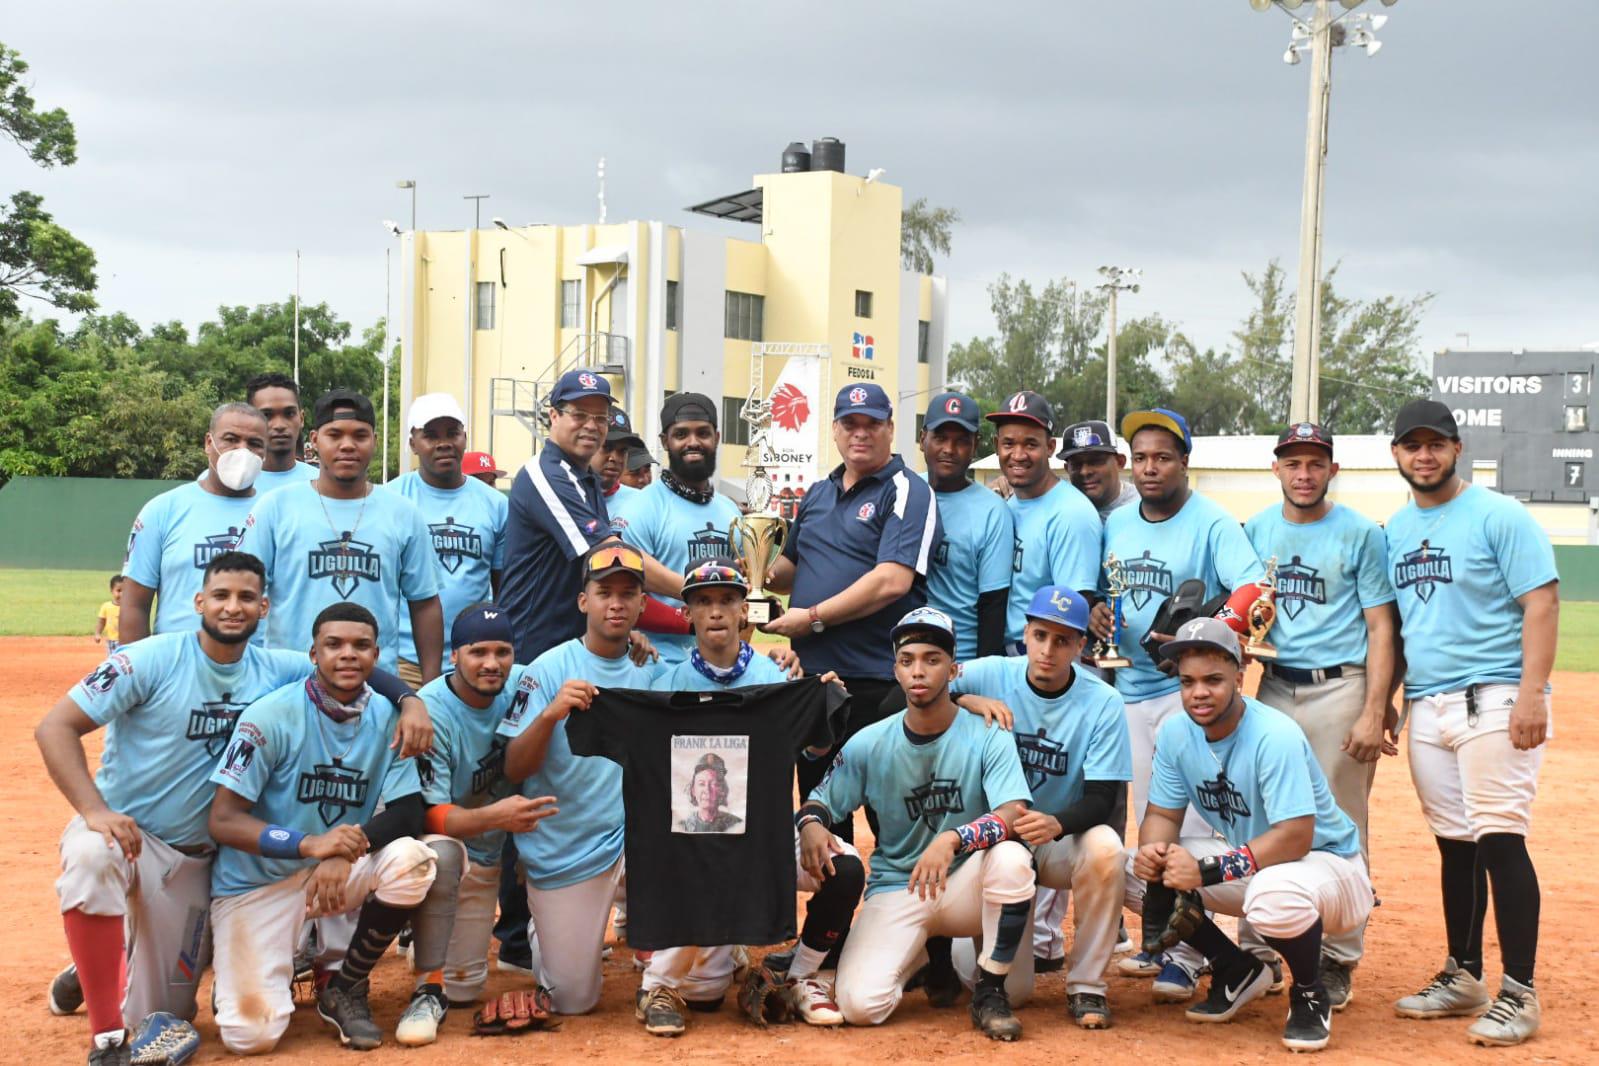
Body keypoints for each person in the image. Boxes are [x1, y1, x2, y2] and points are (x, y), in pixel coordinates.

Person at [36, 553, 430, 1065]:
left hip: (196, 859)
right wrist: (94, 811)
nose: (232, 607)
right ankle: (107, 1036)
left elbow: (355, 669)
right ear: (199, 601)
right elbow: (55, 726)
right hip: (130, 833)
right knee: (93, 855)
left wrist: (410, 701)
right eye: (220, 595)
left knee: (167, 1012)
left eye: (246, 597)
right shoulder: (148, 659)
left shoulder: (279, 668)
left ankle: (105, 961)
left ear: (263, 607)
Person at [1384, 399, 1558, 1048]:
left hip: (1494, 696)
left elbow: (1541, 601)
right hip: (1428, 704)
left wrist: (1532, 695)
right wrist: (1390, 698)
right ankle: (1464, 974)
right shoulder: (1395, 530)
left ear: (1457, 449)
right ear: (1396, 455)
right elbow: (1401, 626)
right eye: (1412, 445)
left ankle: (1520, 991)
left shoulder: (1497, 514)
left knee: (1500, 839)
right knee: (1455, 844)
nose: (1423, 455)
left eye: (1435, 444)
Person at [634, 560, 864, 1034]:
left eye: (727, 601)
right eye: (703, 602)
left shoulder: (776, 678)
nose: (716, 611)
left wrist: (823, 705)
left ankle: (796, 975)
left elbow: (814, 750)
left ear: (745, 610)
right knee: (705, 996)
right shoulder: (666, 684)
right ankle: (661, 985)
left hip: (765, 838)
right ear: (687, 614)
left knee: (845, 868)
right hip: (696, 842)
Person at [1124, 617, 1371, 1053]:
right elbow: (1161, 813)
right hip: (1260, 866)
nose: (1199, 693)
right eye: (1188, 682)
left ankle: (1309, 992)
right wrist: (1155, 853)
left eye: (1213, 680)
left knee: (1271, 894)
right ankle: (1234, 967)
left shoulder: (1274, 735)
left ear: (1240, 677)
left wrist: (1207, 870)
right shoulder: (1177, 733)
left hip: (1328, 869)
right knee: (1126, 870)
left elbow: (1295, 837)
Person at [206, 602, 438, 1054]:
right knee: (250, 1036)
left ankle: (345, 986)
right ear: (313, 654)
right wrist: (311, 846)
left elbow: (409, 812)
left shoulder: (389, 717)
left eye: (361, 645)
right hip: (260, 879)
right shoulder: (269, 716)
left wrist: (343, 851)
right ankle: (257, 966)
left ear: (376, 657)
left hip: (335, 868)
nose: (348, 654)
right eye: (334, 644)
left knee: (414, 860)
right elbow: (224, 820)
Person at [1091, 407, 1265, 1000]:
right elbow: (1107, 593)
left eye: (1162, 457)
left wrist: (1203, 635)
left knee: (1193, 826)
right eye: (1140, 457)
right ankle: (1169, 936)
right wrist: (1098, 613)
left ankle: (1192, 955)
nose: (1150, 468)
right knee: (1153, 823)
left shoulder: (1210, 521)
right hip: (1128, 689)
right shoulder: (1118, 522)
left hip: (1183, 695)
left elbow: (1250, 586)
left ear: (1184, 462)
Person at [799, 607, 1034, 1039]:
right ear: (896, 670)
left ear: (954, 669)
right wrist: (812, 824)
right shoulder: (871, 741)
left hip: (968, 884)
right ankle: (921, 954)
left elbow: (1013, 813)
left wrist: (954, 839)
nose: (918, 671)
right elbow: (820, 801)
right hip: (900, 886)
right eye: (907, 661)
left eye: (932, 659)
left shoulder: (988, 733)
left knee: (1013, 859)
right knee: (861, 1006)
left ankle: (991, 989)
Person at [1243, 422, 1399, 1009]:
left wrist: (1374, 709)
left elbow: (1381, 627)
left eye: (1315, 463)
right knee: (1261, 810)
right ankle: (1258, 948)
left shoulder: (1361, 533)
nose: (1303, 474)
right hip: (1274, 685)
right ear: (1276, 469)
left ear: (1333, 469)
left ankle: (1338, 956)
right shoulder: (1256, 529)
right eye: (1293, 463)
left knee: (1342, 822)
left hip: (1341, 687)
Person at [763, 382, 941, 843]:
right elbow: (788, 572)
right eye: (850, 423)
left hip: (877, 682)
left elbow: (892, 580)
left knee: (893, 821)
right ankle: (833, 893)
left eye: (871, 424)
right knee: (823, 821)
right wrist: (753, 566)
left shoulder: (907, 490)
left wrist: (812, 617)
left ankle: (900, 891)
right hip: (813, 683)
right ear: (835, 430)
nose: (860, 433)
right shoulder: (818, 493)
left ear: (890, 429)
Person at [948, 586, 1131, 1030]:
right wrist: (965, 700)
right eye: (1040, 636)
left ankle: (1087, 984)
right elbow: (911, 692)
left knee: (1106, 847)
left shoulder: (1103, 701)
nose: (1048, 650)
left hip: (1057, 841)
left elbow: (1102, 798)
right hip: (997, 845)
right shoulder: (991, 673)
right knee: (1012, 992)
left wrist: (1056, 823)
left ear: (1080, 646)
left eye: (1062, 640)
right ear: (1025, 634)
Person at [496, 543, 661, 1015]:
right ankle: (545, 927)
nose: (616, 604)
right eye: (604, 593)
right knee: (571, 1000)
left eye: (628, 594)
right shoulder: (548, 669)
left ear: (642, 605)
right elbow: (513, 768)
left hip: (633, 840)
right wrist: (550, 715)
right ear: (583, 601)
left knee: (696, 849)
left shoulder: (650, 669)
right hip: (568, 849)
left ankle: (677, 942)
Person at [393, 604, 559, 1046]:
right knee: (440, 855)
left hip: (496, 839)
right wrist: (498, 817)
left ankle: (438, 933)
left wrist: (633, 642)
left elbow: (584, 664)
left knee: (464, 990)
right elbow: (428, 815)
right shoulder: (433, 710)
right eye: (477, 651)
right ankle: (418, 921)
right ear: (454, 655)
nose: (491, 663)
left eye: (502, 651)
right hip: (449, 846)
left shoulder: (524, 682)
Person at [237, 388, 444, 680]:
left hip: (375, 685)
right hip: (289, 680)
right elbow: (244, 593)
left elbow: (424, 603)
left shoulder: (403, 513)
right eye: (334, 435)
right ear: (314, 440)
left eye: (360, 435)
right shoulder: (276, 507)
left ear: (374, 441)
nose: (347, 445)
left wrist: (431, 687)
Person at [118, 403, 269, 643]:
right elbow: (135, 605)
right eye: (231, 439)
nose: (243, 450)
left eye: (255, 443)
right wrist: (136, 665)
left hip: (257, 662)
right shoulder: (163, 510)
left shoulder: (276, 513)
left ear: (265, 452)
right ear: (209, 443)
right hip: (176, 661)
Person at [609, 392, 742, 665]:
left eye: (702, 433)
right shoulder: (640, 509)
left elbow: (741, 594)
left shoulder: (731, 511)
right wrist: (692, 619)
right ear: (664, 441)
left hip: (721, 667)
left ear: (717, 438)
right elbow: (623, 590)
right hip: (659, 666)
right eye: (681, 434)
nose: (693, 442)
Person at [385, 392, 508, 685]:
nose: (443, 443)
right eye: (430, 435)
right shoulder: (390, 499)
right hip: (405, 661)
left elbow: (502, 588)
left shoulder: (496, 504)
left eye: (452, 433)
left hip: (474, 658)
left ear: (465, 437)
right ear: (413, 443)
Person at [987, 391, 1101, 651]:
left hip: (1041, 654)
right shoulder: (1008, 504)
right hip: (1006, 649)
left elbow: (1072, 609)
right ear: (996, 445)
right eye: (1008, 443)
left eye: (1030, 444)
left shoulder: (1072, 513)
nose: (1018, 455)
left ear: (1050, 447)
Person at [919, 391, 1012, 661]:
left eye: (961, 441)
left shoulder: (993, 511)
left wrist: (980, 675)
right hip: (902, 658)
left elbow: (993, 605)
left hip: (960, 661)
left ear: (975, 446)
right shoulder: (904, 490)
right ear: (923, 439)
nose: (949, 449)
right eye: (940, 438)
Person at [244, 372, 321, 494]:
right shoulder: (235, 485)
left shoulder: (323, 484)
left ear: (301, 418)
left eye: (289, 414)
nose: (279, 425)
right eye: (267, 415)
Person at [1060, 419, 1138, 520]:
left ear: (1119, 462)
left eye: (1095, 461)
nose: (1085, 472)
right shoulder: (1061, 512)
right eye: (1076, 464)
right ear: (1067, 469)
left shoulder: (1145, 507)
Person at [592, 406, 644, 505]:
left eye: (623, 451)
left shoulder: (640, 503)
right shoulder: (566, 496)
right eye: (607, 447)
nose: (615, 458)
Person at [94, 576, 123, 653]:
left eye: (125, 591)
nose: (122, 594)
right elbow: (101, 622)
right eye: (119, 590)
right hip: (112, 641)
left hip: (125, 641)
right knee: (112, 658)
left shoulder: (129, 607)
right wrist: (97, 633)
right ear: (111, 590)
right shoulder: (106, 606)